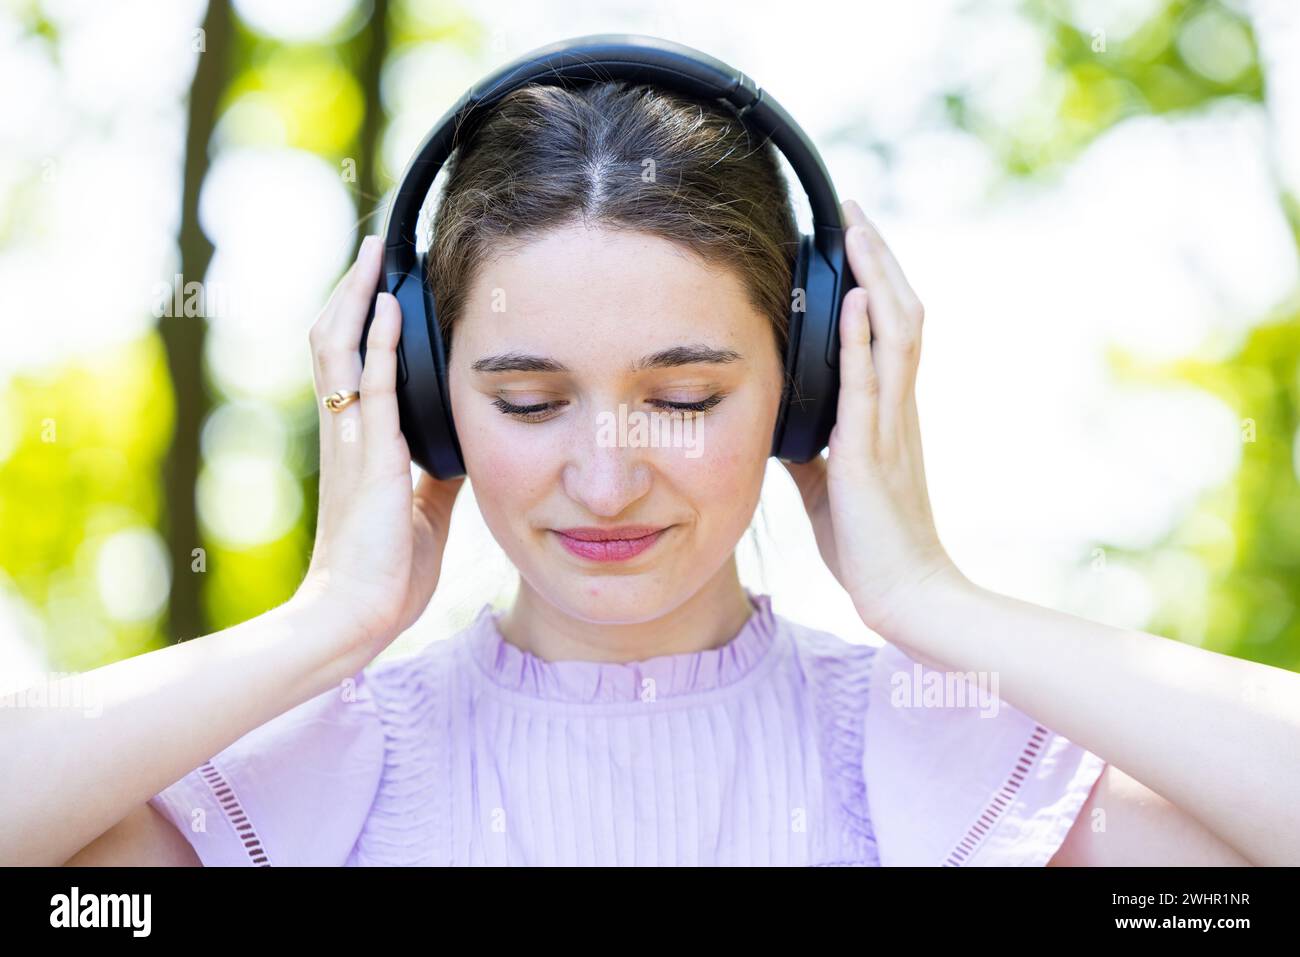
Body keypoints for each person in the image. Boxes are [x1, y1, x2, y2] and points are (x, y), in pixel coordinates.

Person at [12, 81, 1295, 867]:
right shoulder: (302, 787)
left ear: (807, 385)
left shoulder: (948, 782)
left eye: (682, 396)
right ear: (420, 400)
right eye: (527, 400)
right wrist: (322, 629)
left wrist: (935, 603)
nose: (607, 479)